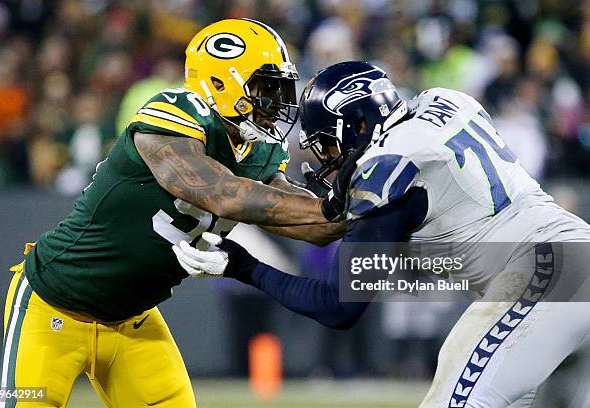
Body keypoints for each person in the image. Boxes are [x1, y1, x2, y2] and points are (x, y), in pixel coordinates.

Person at [175, 61, 590, 408]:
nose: (329, 161)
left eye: (328, 146)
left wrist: (244, 267)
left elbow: (338, 308)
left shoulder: (387, 167)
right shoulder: (445, 101)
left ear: (356, 124)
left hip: (545, 276)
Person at [0, 19, 350, 408]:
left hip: (134, 321)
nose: (275, 103)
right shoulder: (175, 111)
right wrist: (329, 206)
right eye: (266, 88)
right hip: (52, 306)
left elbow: (316, 224)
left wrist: (368, 203)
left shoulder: (260, 152)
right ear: (220, 83)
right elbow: (222, 193)